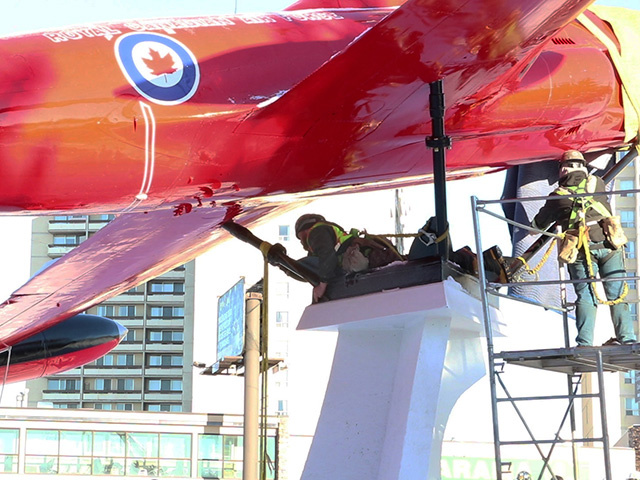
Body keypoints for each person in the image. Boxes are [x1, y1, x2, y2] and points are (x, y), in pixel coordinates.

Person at [531, 150, 636, 346]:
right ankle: (628, 339)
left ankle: (585, 342)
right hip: (609, 244)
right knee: (617, 294)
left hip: (580, 249)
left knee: (586, 296)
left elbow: (535, 227)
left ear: (563, 170)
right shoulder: (598, 183)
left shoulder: (557, 196)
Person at [294, 214, 401, 302]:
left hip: (357, 258)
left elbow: (326, 255)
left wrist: (322, 285)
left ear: (304, 229)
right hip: (364, 254)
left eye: (299, 237)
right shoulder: (327, 232)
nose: (300, 241)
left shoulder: (315, 232)